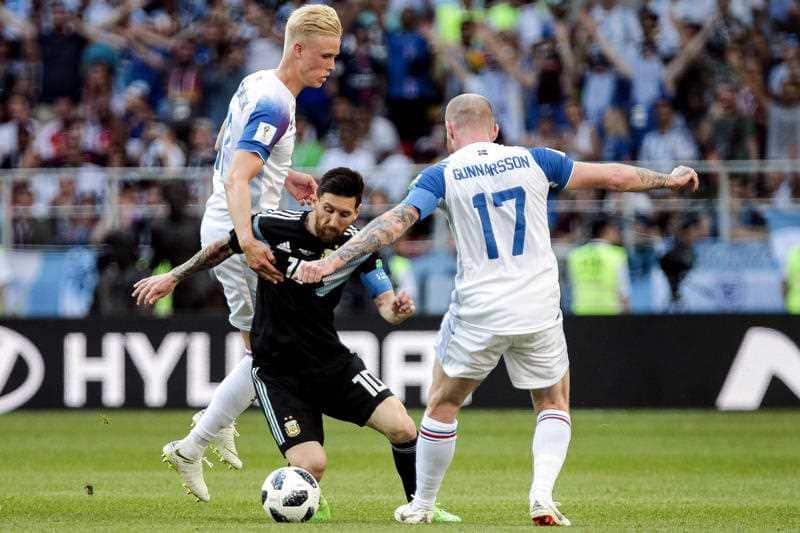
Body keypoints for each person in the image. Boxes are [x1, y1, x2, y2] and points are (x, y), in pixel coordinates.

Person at [296, 94, 699, 525]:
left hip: (480, 308)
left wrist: (332, 260)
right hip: (538, 305)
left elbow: (395, 223)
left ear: (450, 133)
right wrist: (666, 180)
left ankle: (423, 504)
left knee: (442, 405)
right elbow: (612, 177)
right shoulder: (534, 159)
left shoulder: (443, 174)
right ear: (494, 130)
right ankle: (542, 495)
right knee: (553, 402)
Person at [133, 169, 460, 523]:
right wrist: (173, 276)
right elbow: (220, 249)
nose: (333, 220)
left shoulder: (359, 245)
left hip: (332, 364)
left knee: (404, 428)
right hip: (278, 373)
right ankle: (310, 499)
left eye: (344, 214)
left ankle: (420, 506)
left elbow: (386, 305)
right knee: (313, 465)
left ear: (357, 212)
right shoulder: (272, 226)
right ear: (316, 200)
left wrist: (397, 310)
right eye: (328, 209)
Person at [156, 4, 341, 502]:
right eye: (324, 56)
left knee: (259, 345)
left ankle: (206, 433)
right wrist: (249, 238)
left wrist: (286, 176)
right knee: (271, 348)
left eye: (335, 57)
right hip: (240, 232)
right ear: (297, 49)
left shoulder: (257, 82)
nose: (330, 66)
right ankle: (197, 441)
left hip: (231, 221)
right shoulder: (277, 103)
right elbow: (238, 175)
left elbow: (226, 144)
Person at [567, 217, 631, 315]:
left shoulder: (575, 255)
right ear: (606, 230)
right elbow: (624, 291)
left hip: (581, 314)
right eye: (615, 229)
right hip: (610, 314)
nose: (618, 232)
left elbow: (570, 287)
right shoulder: (617, 255)